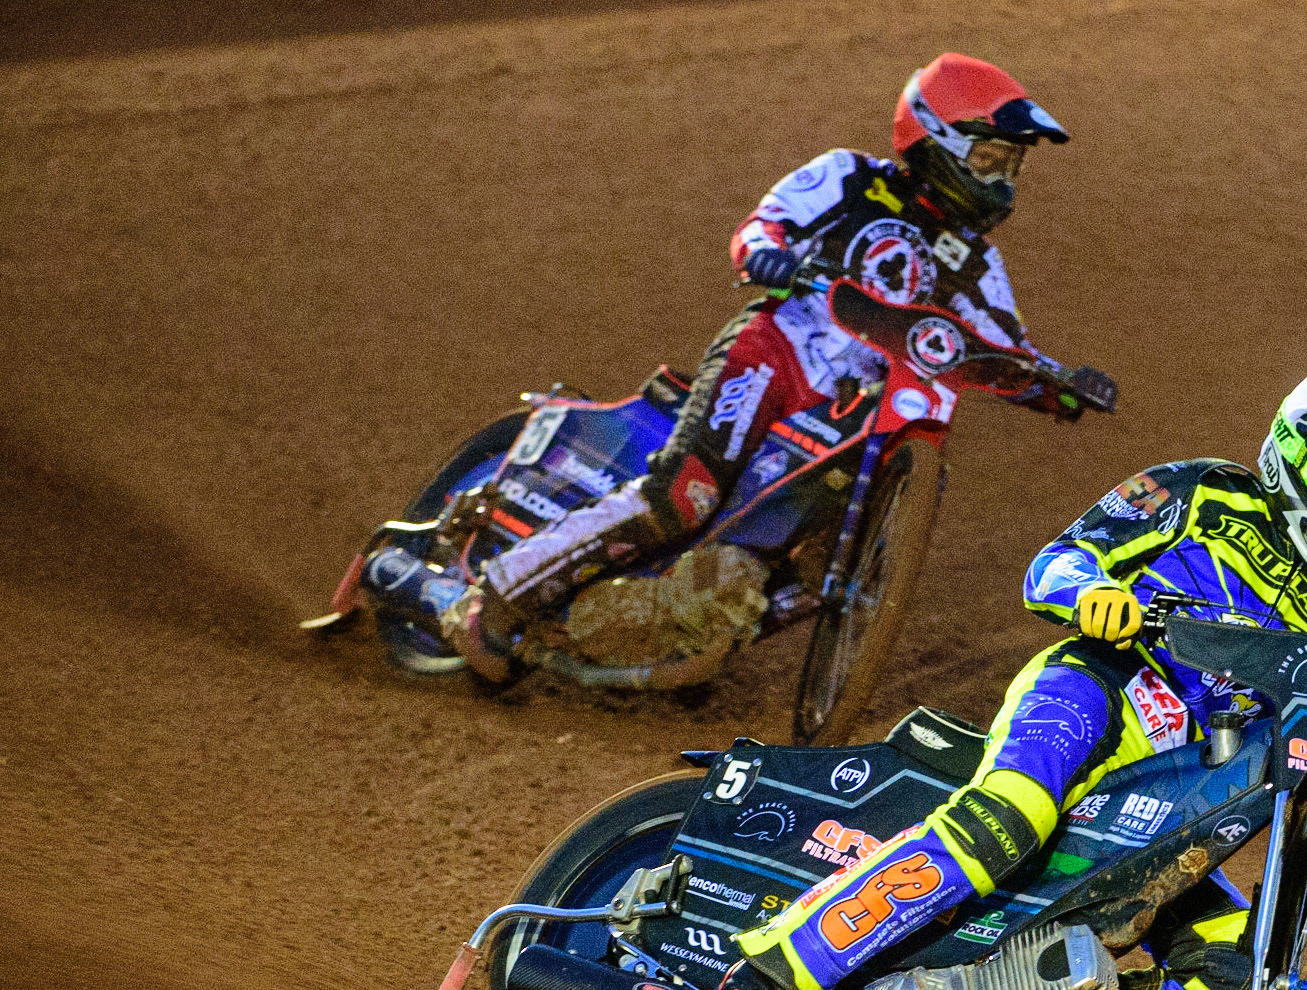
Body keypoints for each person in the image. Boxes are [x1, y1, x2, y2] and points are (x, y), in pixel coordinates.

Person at [701, 359, 1307, 990]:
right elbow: (1057, 562)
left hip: (1176, 800)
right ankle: (762, 981)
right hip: (1098, 693)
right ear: (1289, 448)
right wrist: (1094, 596)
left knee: (1235, 983)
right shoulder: (1196, 491)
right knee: (1014, 813)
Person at [442, 52, 1113, 679]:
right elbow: (762, 226)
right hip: (776, 353)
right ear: (935, 137)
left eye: (1011, 167)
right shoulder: (850, 178)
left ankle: (680, 620)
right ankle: (495, 595)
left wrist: (1059, 386)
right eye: (989, 158)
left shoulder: (976, 264)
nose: (1001, 180)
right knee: (684, 496)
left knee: (827, 547)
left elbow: (1003, 347)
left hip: (852, 415)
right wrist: (766, 253)